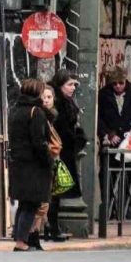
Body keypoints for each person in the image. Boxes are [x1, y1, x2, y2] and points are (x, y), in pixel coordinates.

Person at [8, 78, 54, 252]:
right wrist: (48, 159)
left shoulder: (15, 110)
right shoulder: (36, 112)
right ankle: (21, 241)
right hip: (34, 166)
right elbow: (39, 142)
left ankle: (20, 238)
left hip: (18, 164)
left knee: (24, 203)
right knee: (32, 204)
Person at [46, 69, 88, 240]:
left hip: (65, 152)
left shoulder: (67, 102)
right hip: (59, 153)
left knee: (56, 192)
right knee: (53, 192)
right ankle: (51, 227)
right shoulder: (58, 103)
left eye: (74, 85)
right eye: (69, 84)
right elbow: (62, 130)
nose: (73, 88)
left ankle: (53, 227)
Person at [28, 84, 62, 250]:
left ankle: (36, 234)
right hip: (43, 163)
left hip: (49, 162)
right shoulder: (40, 116)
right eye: (44, 97)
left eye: (49, 97)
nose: (47, 100)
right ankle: (32, 234)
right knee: (42, 202)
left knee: (44, 202)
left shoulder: (50, 116)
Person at [97, 65, 131, 147]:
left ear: (125, 81)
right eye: (114, 83)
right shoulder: (104, 94)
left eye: (121, 83)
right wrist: (108, 133)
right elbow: (98, 117)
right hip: (112, 141)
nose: (118, 86)